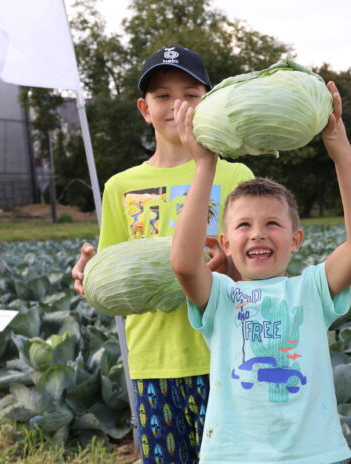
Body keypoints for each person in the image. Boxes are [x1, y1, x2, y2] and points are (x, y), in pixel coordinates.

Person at [170, 81, 351, 463]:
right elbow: (183, 264)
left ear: (296, 239)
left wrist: (341, 153)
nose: (258, 233)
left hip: (314, 454)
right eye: (244, 225)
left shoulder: (312, 289)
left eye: (273, 224)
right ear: (226, 244)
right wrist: (204, 165)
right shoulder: (221, 296)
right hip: (235, 454)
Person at [71, 45, 254, 464]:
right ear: (144, 108)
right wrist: (90, 276)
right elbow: (116, 275)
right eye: (162, 96)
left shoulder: (235, 176)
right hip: (153, 362)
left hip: (226, 358)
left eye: (190, 94)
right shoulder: (121, 185)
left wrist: (229, 268)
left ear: (208, 100)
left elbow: (258, 273)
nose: (178, 106)